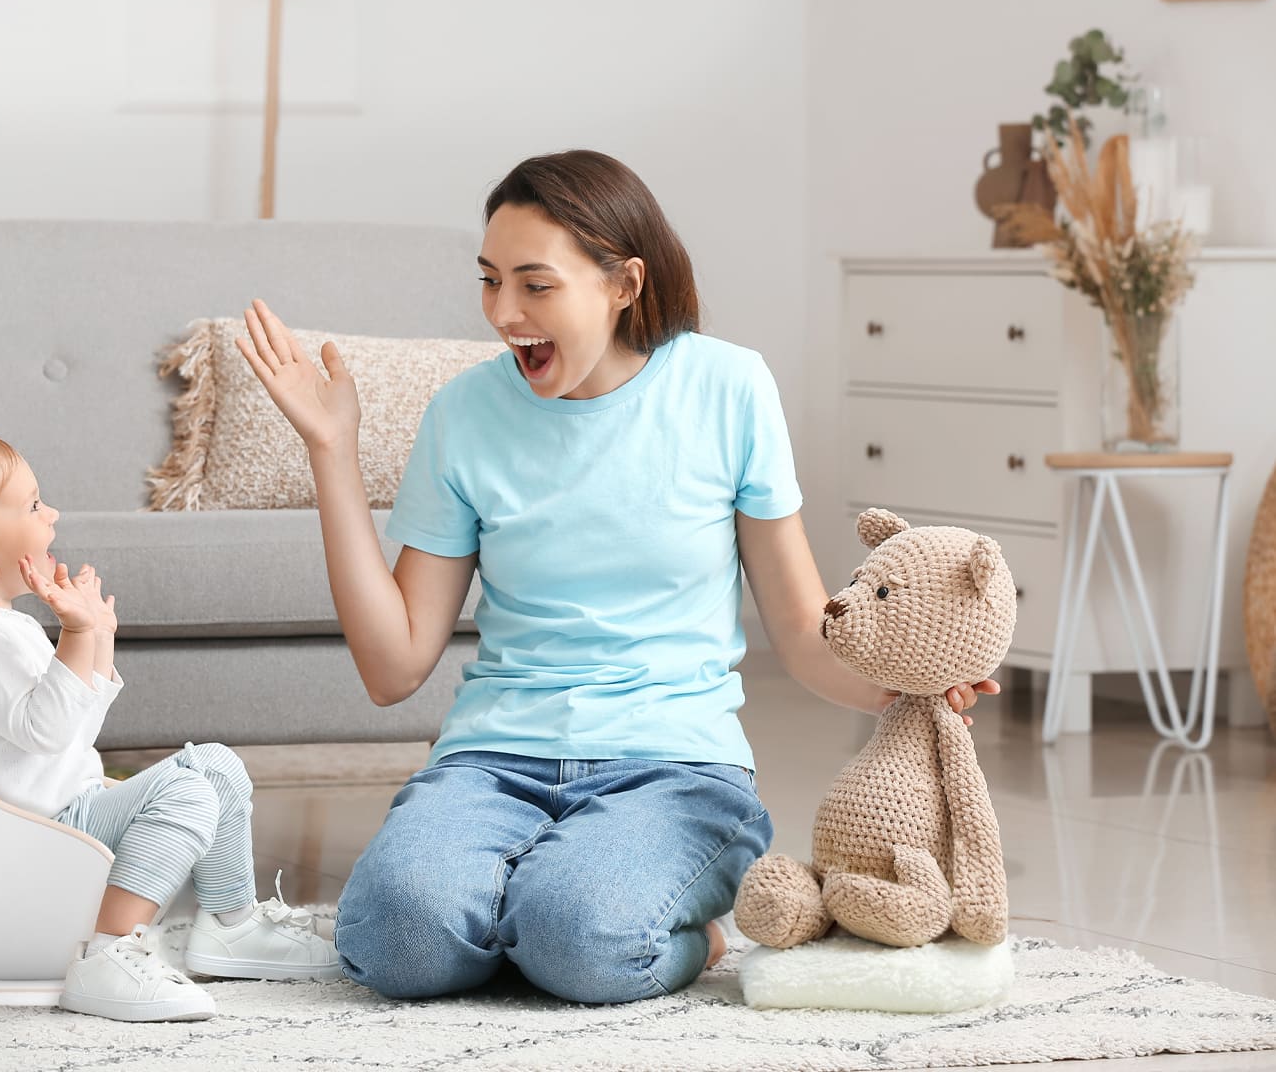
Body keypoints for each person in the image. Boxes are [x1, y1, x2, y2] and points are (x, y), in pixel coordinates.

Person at [235, 150, 995, 1004]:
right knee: (393, 941)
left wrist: (912, 690)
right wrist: (331, 451)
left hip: (675, 766)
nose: (503, 314)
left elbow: (797, 624)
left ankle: (668, 929)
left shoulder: (729, 387)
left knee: (582, 941)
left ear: (624, 283)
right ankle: (540, 907)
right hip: (494, 760)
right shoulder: (465, 414)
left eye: (535, 285)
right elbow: (393, 668)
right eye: (489, 282)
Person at [0, 432, 339, 1023]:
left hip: (60, 818)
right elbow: (47, 732)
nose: (52, 513)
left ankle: (231, 925)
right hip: (40, 834)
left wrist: (98, 636)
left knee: (216, 765)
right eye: (34, 506)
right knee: (189, 789)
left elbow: (72, 731)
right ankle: (111, 953)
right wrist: (77, 637)